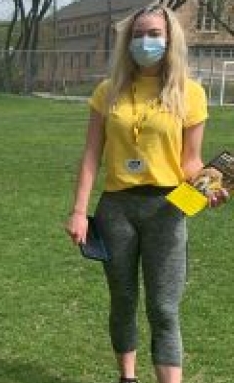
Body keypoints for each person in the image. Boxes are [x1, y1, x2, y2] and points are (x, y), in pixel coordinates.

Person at [65, 4, 227, 383]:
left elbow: (190, 161)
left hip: (168, 208)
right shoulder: (108, 91)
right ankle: (128, 377)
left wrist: (210, 187)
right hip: (116, 209)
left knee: (164, 308)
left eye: (154, 34)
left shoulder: (190, 93)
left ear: (170, 39)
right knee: (123, 302)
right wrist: (78, 210)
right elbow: (91, 155)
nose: (145, 41)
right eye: (138, 34)